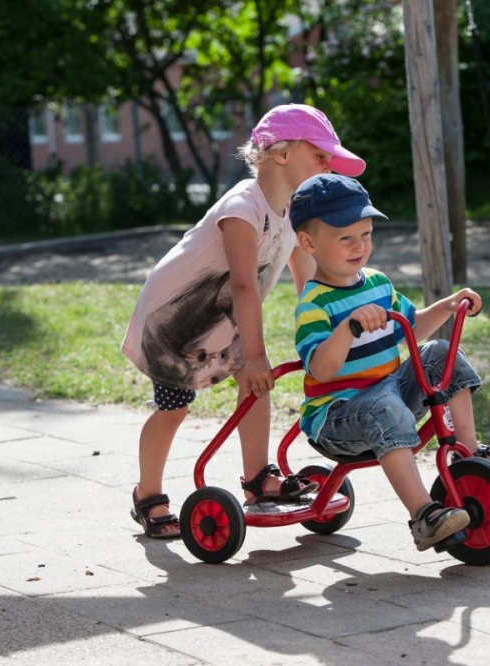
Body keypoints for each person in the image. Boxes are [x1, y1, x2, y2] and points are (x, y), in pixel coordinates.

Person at [121, 104, 368, 539]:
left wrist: (332, 329)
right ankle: (149, 495)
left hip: (226, 315)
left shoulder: (295, 212)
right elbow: (243, 285)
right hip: (176, 319)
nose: (328, 166)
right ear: (281, 153)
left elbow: (311, 281)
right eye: (321, 156)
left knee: (259, 385)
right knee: (174, 407)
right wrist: (253, 354)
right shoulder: (242, 207)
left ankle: (258, 478)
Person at [290, 174, 490, 551]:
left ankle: (470, 456)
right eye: (345, 237)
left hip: (387, 394)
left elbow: (412, 328)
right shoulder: (313, 304)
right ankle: (424, 515)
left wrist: (447, 305)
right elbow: (320, 369)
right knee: (383, 407)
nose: (360, 246)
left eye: (366, 234)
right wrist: (347, 329)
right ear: (308, 243)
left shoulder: (377, 284)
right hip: (336, 417)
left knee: (439, 353)